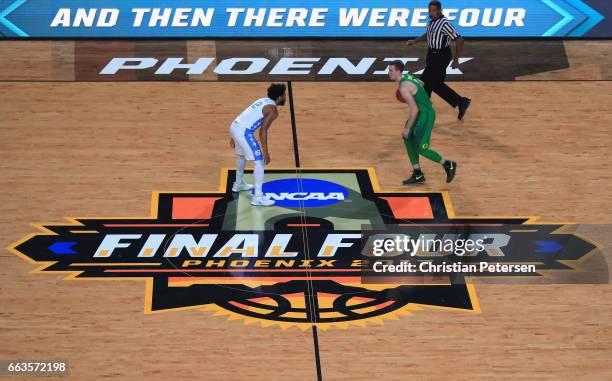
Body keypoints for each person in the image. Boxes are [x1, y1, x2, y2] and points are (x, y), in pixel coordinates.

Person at [388, 60, 457, 185]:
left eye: (391, 71)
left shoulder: (403, 88)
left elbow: (414, 109)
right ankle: (418, 174)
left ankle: (448, 164)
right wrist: (417, 94)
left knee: (421, 148)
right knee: (407, 138)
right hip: (421, 113)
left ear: (398, 71)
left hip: (426, 115)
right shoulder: (407, 75)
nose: (389, 73)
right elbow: (421, 82)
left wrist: (407, 127)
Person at [406, 0, 471, 120]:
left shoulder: (445, 23)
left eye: (434, 10)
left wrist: (456, 60)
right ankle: (461, 102)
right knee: (436, 84)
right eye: (429, 10)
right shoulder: (432, 21)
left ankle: (423, 111)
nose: (431, 13)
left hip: (441, 56)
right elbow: (428, 34)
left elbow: (459, 39)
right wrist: (415, 41)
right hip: (432, 55)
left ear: (440, 10)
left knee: (425, 82)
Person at [229, 84, 286, 206]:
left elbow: (245, 115)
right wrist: (265, 151)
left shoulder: (261, 100)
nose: (286, 97)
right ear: (280, 97)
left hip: (235, 125)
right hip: (243, 131)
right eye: (285, 95)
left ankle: (238, 184)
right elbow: (263, 131)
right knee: (259, 161)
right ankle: (258, 197)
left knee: (242, 156)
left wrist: (233, 135)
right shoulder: (273, 110)